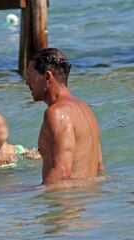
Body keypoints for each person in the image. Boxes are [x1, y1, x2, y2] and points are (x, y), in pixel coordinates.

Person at [26, 48, 104, 185]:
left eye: (30, 76)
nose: (27, 82)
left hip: (66, 204)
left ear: (48, 77)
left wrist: (19, 196)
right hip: (87, 202)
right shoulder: (87, 110)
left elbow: (61, 174)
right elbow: (99, 168)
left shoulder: (57, 113)